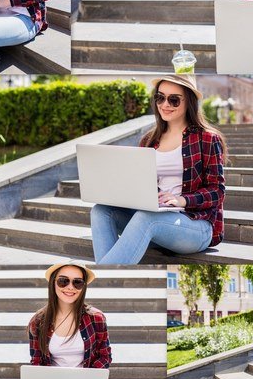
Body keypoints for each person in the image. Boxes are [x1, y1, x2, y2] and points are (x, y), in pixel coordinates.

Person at [91, 71, 226, 266]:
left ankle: (100, 280)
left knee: (147, 218)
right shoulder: (149, 140)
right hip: (155, 218)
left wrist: (181, 200)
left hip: (195, 225)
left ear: (189, 101)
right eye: (160, 98)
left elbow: (217, 192)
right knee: (100, 211)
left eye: (174, 100)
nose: (165, 105)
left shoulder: (207, 139)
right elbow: (138, 184)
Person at [28, 263, 112, 370]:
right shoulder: (37, 322)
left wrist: (89, 378)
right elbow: (37, 362)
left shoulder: (97, 318)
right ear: (53, 282)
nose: (70, 287)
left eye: (77, 282)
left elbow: (105, 356)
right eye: (63, 281)